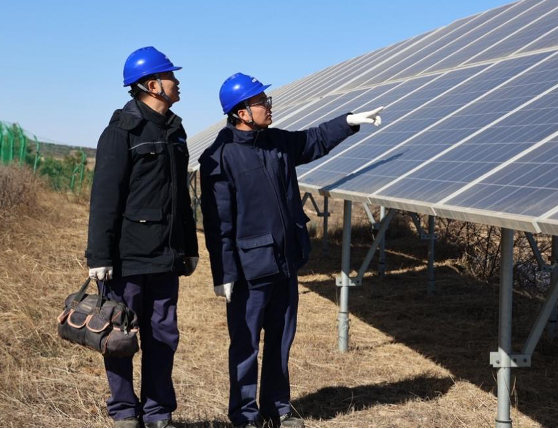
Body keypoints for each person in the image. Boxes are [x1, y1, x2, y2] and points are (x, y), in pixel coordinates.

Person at [199, 72, 383, 428]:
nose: (269, 106)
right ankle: (244, 415)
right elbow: (219, 223)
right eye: (261, 102)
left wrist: (347, 122)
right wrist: (224, 273)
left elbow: (314, 140)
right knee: (246, 345)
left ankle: (277, 408)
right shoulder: (219, 158)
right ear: (241, 112)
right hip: (250, 270)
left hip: (285, 262)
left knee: (281, 340)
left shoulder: (277, 143)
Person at [85, 46, 199, 429]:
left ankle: (157, 412)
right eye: (170, 76)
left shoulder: (175, 132)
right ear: (152, 85)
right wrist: (99, 256)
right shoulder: (120, 132)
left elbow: (181, 199)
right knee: (119, 336)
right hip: (127, 259)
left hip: (165, 257)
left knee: (163, 335)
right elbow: (104, 198)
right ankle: (123, 411)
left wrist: (189, 248)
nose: (177, 82)